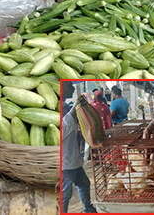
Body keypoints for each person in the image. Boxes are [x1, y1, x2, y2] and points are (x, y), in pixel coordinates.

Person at [61, 81, 97, 213]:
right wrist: (73, 110)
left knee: (84, 184)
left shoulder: (65, 106)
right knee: (65, 194)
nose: (72, 89)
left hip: (74, 160)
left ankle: (88, 208)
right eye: (68, 86)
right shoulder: (60, 109)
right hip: (65, 162)